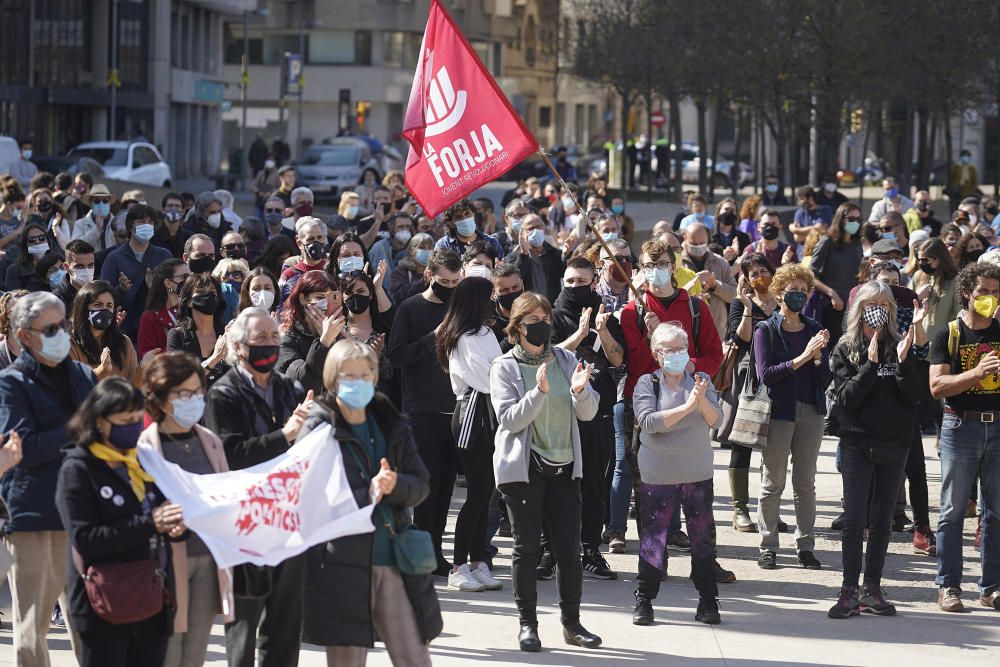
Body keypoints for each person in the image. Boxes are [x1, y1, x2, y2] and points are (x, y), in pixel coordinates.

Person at [299, 339, 441, 665]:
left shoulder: (390, 421)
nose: (357, 383)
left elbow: (420, 485)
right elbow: (309, 496)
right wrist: (367, 493)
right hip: (343, 563)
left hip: (395, 558)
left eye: (365, 375)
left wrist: (393, 486)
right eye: (348, 376)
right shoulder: (319, 426)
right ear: (332, 379)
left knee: (415, 656)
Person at [490, 291, 601, 652]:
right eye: (532, 322)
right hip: (524, 471)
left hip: (565, 466)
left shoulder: (566, 359)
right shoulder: (504, 367)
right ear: (517, 327)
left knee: (569, 550)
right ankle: (528, 624)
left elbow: (587, 413)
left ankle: (572, 623)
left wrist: (582, 392)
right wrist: (537, 392)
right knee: (526, 549)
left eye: (545, 320)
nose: (541, 327)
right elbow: (510, 419)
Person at [204, 307, 313, 666]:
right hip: (244, 521)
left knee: (284, 624)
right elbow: (232, 455)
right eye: (260, 339)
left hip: (286, 517)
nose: (269, 345)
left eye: (273, 338)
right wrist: (284, 436)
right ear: (238, 347)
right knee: (244, 622)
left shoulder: (287, 387)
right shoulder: (222, 394)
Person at [56, 377, 181, 666]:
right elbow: (86, 539)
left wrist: (176, 526)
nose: (135, 427)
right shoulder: (78, 469)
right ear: (100, 421)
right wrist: (150, 523)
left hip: (150, 599)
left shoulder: (144, 461)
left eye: (138, 419)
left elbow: (164, 519)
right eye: (126, 420)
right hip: (102, 604)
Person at [0, 292, 97, 665]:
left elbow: (102, 433)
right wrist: (79, 428)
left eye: (65, 326)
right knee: (33, 627)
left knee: (89, 621)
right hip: (34, 515)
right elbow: (27, 448)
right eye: (51, 329)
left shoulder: (82, 375)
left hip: (82, 510)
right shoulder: (11, 384)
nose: (63, 335)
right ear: (25, 336)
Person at [827, 281, 927, 618]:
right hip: (858, 443)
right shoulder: (845, 348)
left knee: (882, 521)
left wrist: (902, 364)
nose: (878, 308)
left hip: (895, 444)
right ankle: (848, 590)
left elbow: (914, 397)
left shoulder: (900, 345)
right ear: (859, 308)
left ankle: (872, 588)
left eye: (885, 303)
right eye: (872, 303)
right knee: (855, 520)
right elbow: (845, 402)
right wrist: (870, 366)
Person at [138, 352, 234, 666]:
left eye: (197, 393)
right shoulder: (145, 447)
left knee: (195, 652)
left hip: (207, 560)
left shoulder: (209, 440)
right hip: (162, 564)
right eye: (183, 394)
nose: (193, 400)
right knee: (166, 652)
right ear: (161, 398)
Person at [631, 322, 724, 626]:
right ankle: (644, 600)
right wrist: (686, 408)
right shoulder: (648, 383)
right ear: (657, 354)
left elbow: (716, 418)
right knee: (653, 539)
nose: (676, 354)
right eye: (669, 350)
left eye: (681, 348)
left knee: (702, 538)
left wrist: (700, 401)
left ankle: (708, 601)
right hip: (658, 473)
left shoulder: (700, 379)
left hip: (696, 472)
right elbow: (649, 422)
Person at [928, 262, 1000, 613]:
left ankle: (991, 588)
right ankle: (948, 586)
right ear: (968, 293)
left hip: (998, 427)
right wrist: (976, 372)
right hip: (961, 426)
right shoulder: (949, 334)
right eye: (984, 291)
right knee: (953, 511)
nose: (989, 298)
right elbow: (937, 386)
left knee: (996, 512)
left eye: (995, 292)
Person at [387, 249, 464, 575]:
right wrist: (432, 339)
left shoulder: (459, 307)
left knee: (446, 483)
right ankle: (420, 551)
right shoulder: (411, 308)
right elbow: (396, 356)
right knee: (426, 485)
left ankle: (435, 550)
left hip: (455, 406)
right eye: (444, 281)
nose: (449, 286)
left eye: (455, 281)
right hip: (422, 409)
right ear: (429, 275)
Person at [550, 256, 625, 579]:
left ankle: (591, 550)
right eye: (570, 282)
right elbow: (547, 359)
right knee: (556, 487)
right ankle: (549, 550)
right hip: (558, 414)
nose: (575, 287)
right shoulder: (551, 315)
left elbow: (619, 358)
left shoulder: (608, 316)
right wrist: (579, 336)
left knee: (594, 485)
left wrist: (601, 332)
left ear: (594, 282)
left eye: (581, 282)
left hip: (598, 412)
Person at [754, 263, 831, 571]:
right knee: (773, 483)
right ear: (779, 292)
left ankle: (806, 545)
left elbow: (825, 378)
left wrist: (817, 360)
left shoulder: (813, 328)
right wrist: (802, 358)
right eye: (793, 291)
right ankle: (768, 545)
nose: (798, 296)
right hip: (779, 413)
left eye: (803, 291)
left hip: (811, 411)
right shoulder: (766, 330)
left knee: (805, 483)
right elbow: (766, 375)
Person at [435, 278, 505, 592]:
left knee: (487, 492)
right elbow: (488, 376)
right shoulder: (461, 336)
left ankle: (479, 560)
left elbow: (499, 369)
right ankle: (458, 565)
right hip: (472, 412)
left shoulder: (487, 332)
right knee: (476, 494)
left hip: (491, 411)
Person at [724, 253, 780, 532]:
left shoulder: (784, 301)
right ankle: (739, 509)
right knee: (743, 443)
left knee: (776, 447)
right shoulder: (739, 303)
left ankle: (768, 510)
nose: (760, 278)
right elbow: (741, 338)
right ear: (745, 279)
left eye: (763, 271)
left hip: (782, 377)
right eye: (753, 274)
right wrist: (747, 307)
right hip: (750, 378)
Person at [99, 204, 172, 338]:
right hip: (124, 329)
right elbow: (102, 297)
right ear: (130, 226)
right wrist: (121, 289)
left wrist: (155, 288)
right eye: (141, 221)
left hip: (157, 326)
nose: (146, 225)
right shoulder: (114, 258)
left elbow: (174, 293)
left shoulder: (164, 256)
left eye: (150, 222)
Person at [69, 279, 156, 386]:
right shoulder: (70, 344)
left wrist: (142, 369)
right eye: (98, 305)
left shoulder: (124, 343)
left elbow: (132, 391)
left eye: (109, 306)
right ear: (83, 308)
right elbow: (74, 389)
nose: (104, 310)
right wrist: (101, 371)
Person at [276, 270, 345, 395]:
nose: (325, 304)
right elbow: (301, 383)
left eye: (330, 298)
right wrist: (323, 343)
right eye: (319, 297)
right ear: (303, 299)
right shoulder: (287, 338)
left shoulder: (340, 335)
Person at [809, 203, 864, 345]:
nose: (855, 223)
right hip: (831, 306)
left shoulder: (857, 243)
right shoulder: (827, 241)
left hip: (852, 306)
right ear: (841, 219)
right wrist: (832, 294)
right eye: (851, 219)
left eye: (858, 219)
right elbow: (810, 275)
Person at [340, 267, 396, 402]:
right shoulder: (339, 331)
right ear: (342, 297)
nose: (355, 296)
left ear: (370, 294)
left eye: (360, 291)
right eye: (349, 292)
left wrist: (378, 359)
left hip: (383, 403)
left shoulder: (383, 328)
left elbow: (391, 374)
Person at [166, 273, 229, 386]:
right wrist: (215, 358)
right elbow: (177, 380)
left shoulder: (227, 334)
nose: (208, 296)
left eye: (212, 292)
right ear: (189, 301)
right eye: (200, 292)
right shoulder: (177, 335)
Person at [680, 222, 737, 341]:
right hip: (685, 331)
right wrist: (693, 284)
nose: (698, 246)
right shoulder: (678, 263)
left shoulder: (720, 262)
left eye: (702, 243)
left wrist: (715, 285)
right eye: (694, 244)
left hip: (716, 331)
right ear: (685, 238)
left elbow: (734, 295)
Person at [503, 213, 565, 302]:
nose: (536, 231)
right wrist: (524, 254)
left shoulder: (555, 254)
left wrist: (567, 256)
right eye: (530, 228)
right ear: (522, 232)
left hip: (552, 309)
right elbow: (515, 279)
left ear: (543, 227)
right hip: (528, 309)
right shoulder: (512, 258)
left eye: (538, 227)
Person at [138, 259, 189, 359]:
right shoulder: (150, 317)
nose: (189, 281)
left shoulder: (192, 309)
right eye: (184, 277)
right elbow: (146, 356)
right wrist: (176, 347)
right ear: (168, 283)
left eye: (190, 276)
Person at [278, 216, 329, 304]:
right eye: (310, 239)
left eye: (319, 237)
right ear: (299, 243)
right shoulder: (289, 274)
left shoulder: (331, 270)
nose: (316, 242)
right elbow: (281, 305)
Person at [367, 213, 415, 295]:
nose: (405, 230)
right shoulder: (379, 248)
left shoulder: (415, 248)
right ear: (391, 229)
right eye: (400, 227)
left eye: (408, 227)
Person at [5, 221, 59, 291]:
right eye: (32, 240)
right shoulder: (15, 270)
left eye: (41, 238)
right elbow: (15, 298)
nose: (37, 242)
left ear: (47, 241)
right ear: (25, 245)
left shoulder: (59, 263)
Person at [51, 239, 96, 312]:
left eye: (90, 265)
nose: (86, 271)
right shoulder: (56, 300)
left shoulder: (100, 293)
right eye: (80, 266)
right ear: (66, 267)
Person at [389, 232, 434, 305]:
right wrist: (423, 281)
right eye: (422, 247)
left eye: (430, 248)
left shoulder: (437, 272)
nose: (427, 251)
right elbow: (398, 296)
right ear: (412, 251)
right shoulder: (400, 271)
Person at [73, 184, 118, 252]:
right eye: (97, 201)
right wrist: (97, 230)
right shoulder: (80, 224)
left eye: (105, 201)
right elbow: (74, 248)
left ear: (109, 203)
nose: (101, 204)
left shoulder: (118, 224)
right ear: (91, 204)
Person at [152, 192, 191, 259]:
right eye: (170, 206)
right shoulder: (152, 236)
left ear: (183, 211)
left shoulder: (189, 238)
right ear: (163, 210)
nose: (174, 209)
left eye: (177, 206)